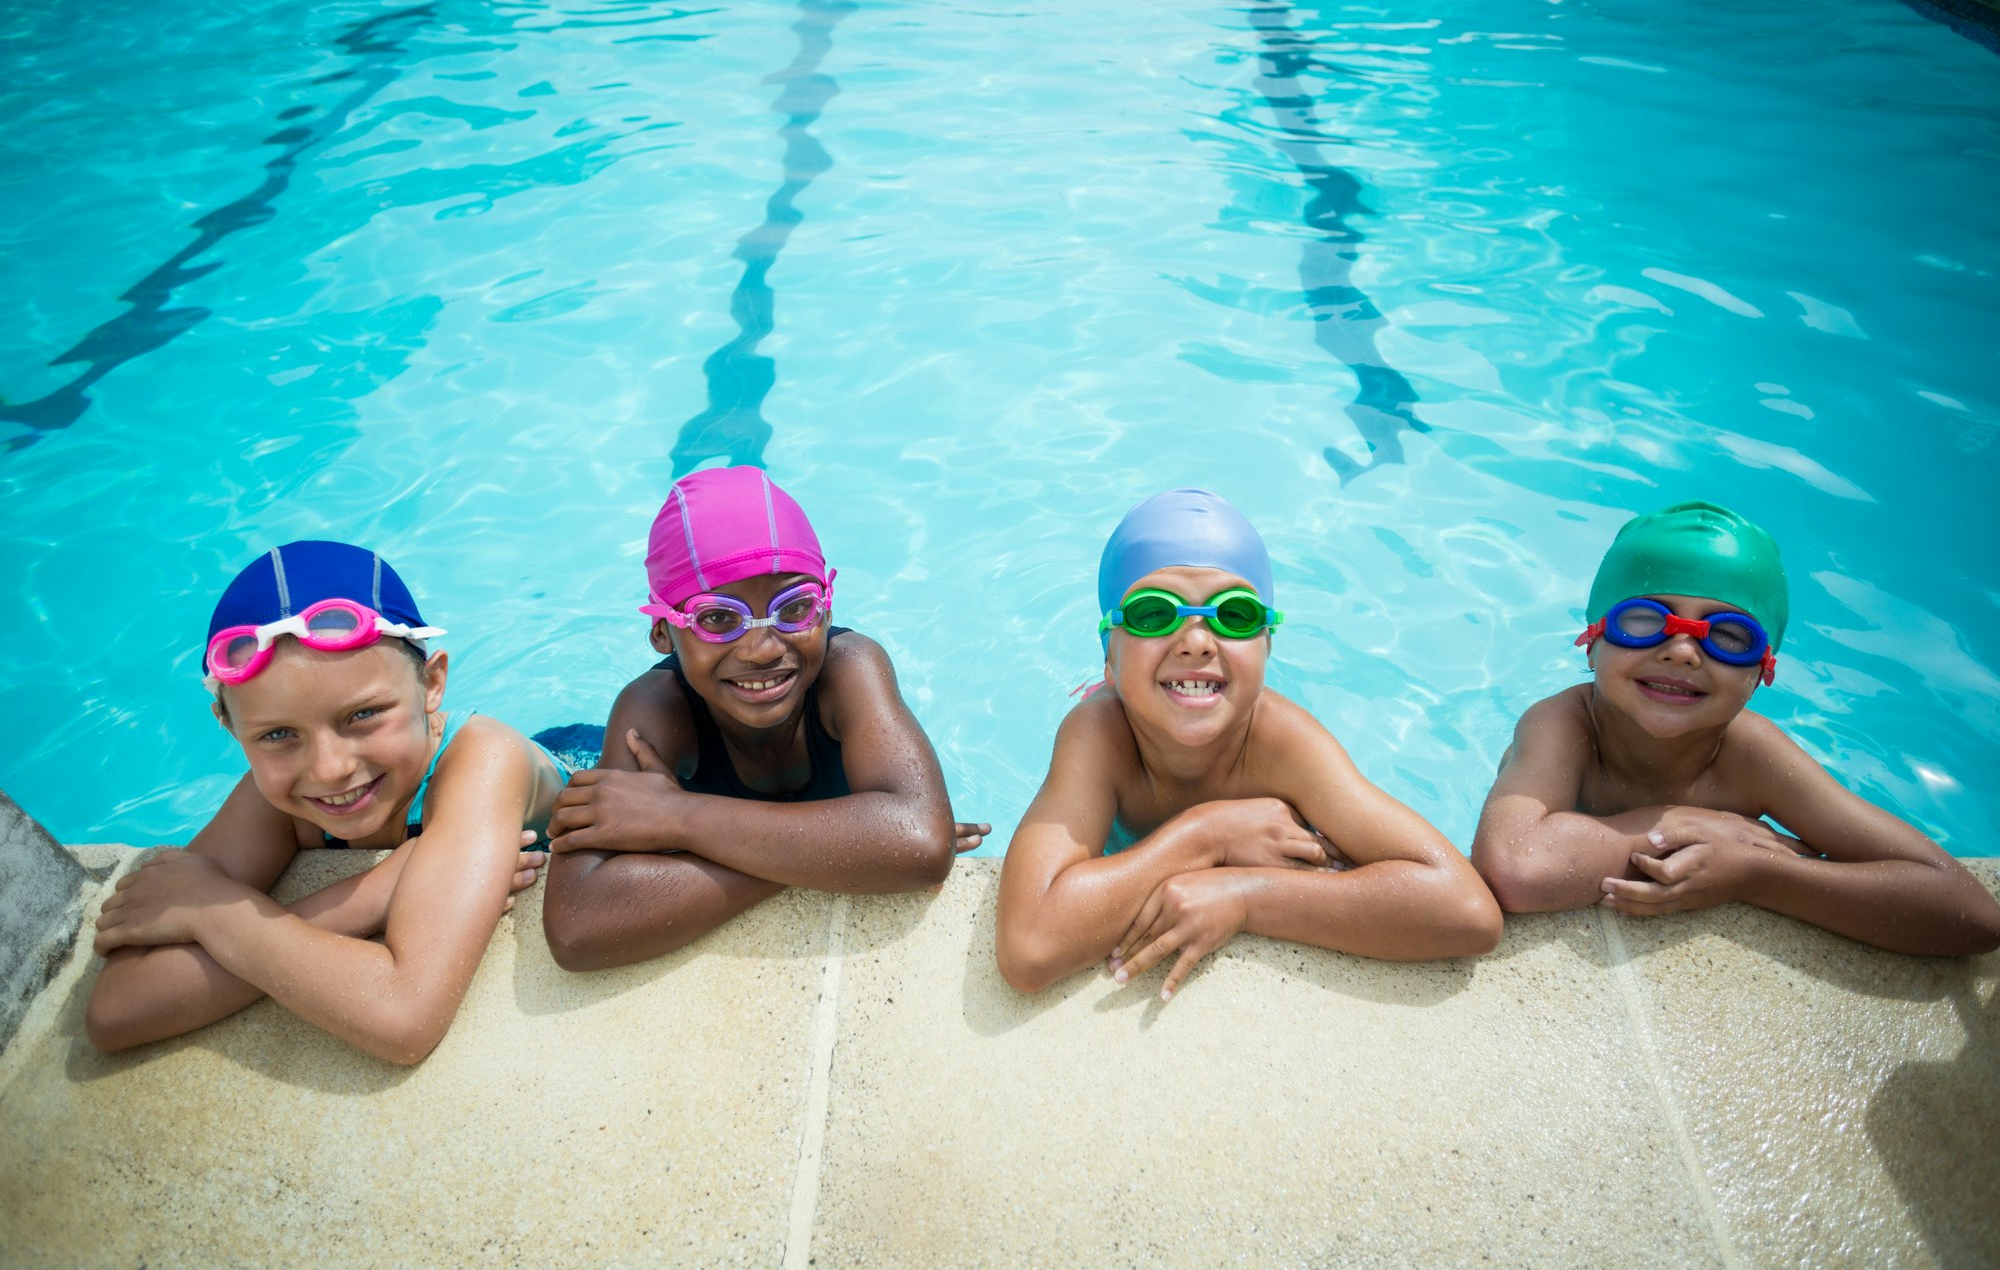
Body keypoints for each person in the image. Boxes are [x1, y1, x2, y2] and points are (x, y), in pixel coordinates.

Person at [995, 488, 1501, 999]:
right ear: (1109, 659)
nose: (1196, 639)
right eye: (1153, 613)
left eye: (1234, 614)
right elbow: (1029, 947)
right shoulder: (1099, 734)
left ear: (1267, 647)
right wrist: (1206, 835)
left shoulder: (1285, 743)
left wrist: (1245, 895)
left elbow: (1466, 908)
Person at [85, 541, 561, 1063]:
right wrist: (372, 894)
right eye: (277, 734)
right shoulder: (278, 797)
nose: (329, 768)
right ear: (230, 727)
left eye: (363, 715)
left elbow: (405, 1016)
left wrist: (213, 911)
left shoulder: (484, 762)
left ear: (431, 682)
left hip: (579, 756)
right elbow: (115, 1009)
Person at [1472, 500, 2000, 955]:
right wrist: (1691, 823)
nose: (1681, 651)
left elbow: (1970, 913)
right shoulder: (1562, 724)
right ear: (1593, 638)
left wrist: (1755, 874)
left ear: (1762, 672)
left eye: (1727, 636)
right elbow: (1517, 867)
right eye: (1645, 620)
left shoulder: (1752, 753)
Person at [541, 466, 981, 971]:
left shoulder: (850, 667)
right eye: (717, 618)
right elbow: (578, 926)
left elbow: (920, 843)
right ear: (663, 632)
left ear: (827, 608)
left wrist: (679, 817)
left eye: (794, 607)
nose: (763, 648)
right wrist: (853, 854)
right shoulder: (655, 708)